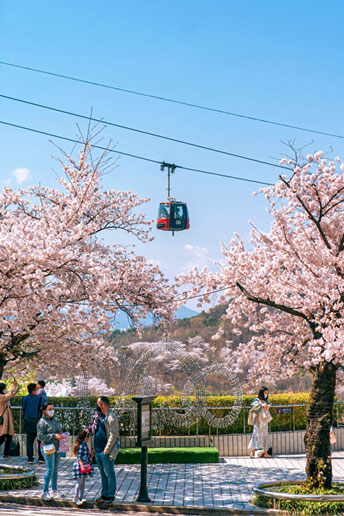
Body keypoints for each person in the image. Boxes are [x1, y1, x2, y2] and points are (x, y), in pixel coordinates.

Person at [88, 396, 119, 506]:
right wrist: (92, 448)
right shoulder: (98, 417)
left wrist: (107, 450)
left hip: (106, 451)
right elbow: (94, 433)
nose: (98, 406)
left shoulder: (111, 417)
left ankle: (110, 495)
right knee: (102, 473)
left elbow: (114, 435)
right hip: (97, 449)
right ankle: (104, 494)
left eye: (99, 404)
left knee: (109, 473)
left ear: (104, 405)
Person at [37, 402, 64, 500]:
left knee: (55, 469)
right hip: (48, 447)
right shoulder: (42, 422)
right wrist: (53, 436)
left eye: (53, 408)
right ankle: (45, 491)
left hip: (57, 446)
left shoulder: (55, 419)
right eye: (49, 409)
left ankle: (54, 489)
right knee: (50, 469)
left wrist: (62, 435)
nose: (52, 410)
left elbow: (59, 430)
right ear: (44, 411)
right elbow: (40, 436)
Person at [21, 383, 44, 463]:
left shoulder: (25, 398)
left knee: (29, 441)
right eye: (36, 389)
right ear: (34, 390)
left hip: (28, 420)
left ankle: (30, 458)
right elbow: (42, 406)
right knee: (40, 440)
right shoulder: (40, 398)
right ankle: (41, 457)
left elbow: (23, 408)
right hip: (37, 421)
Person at [248, 386, 272, 458]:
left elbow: (268, 407)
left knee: (265, 436)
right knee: (255, 435)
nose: (266, 394)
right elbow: (255, 408)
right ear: (261, 393)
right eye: (265, 393)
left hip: (264, 420)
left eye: (267, 393)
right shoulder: (256, 400)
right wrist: (261, 405)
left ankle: (265, 452)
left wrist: (267, 406)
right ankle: (252, 452)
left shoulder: (266, 401)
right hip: (258, 420)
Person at [72, 430, 93, 506]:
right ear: (85, 437)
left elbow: (85, 455)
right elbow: (79, 456)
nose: (88, 438)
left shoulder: (84, 444)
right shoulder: (82, 445)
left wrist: (91, 455)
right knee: (79, 482)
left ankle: (81, 496)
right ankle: (76, 497)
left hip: (83, 465)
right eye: (88, 436)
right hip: (80, 466)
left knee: (83, 482)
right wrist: (81, 465)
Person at [0, 379, 18, 459]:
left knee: (8, 436)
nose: (6, 389)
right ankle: (5, 454)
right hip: (4, 419)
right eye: (5, 388)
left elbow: (9, 395)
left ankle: (6, 454)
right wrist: (14, 386)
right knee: (3, 436)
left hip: (7, 418)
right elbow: (10, 395)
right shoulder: (1, 397)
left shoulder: (3, 396)